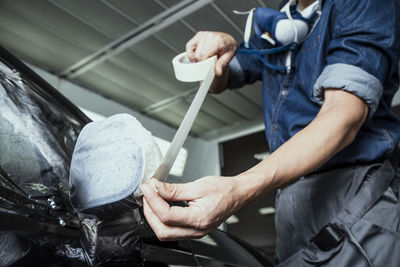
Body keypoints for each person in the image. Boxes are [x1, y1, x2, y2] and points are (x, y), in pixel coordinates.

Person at [141, 0, 400, 265]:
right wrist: (217, 53)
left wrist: (238, 189)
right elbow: (221, 80)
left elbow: (344, 116)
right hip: (289, 200)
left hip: (353, 191)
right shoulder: (280, 23)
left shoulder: (362, 4)